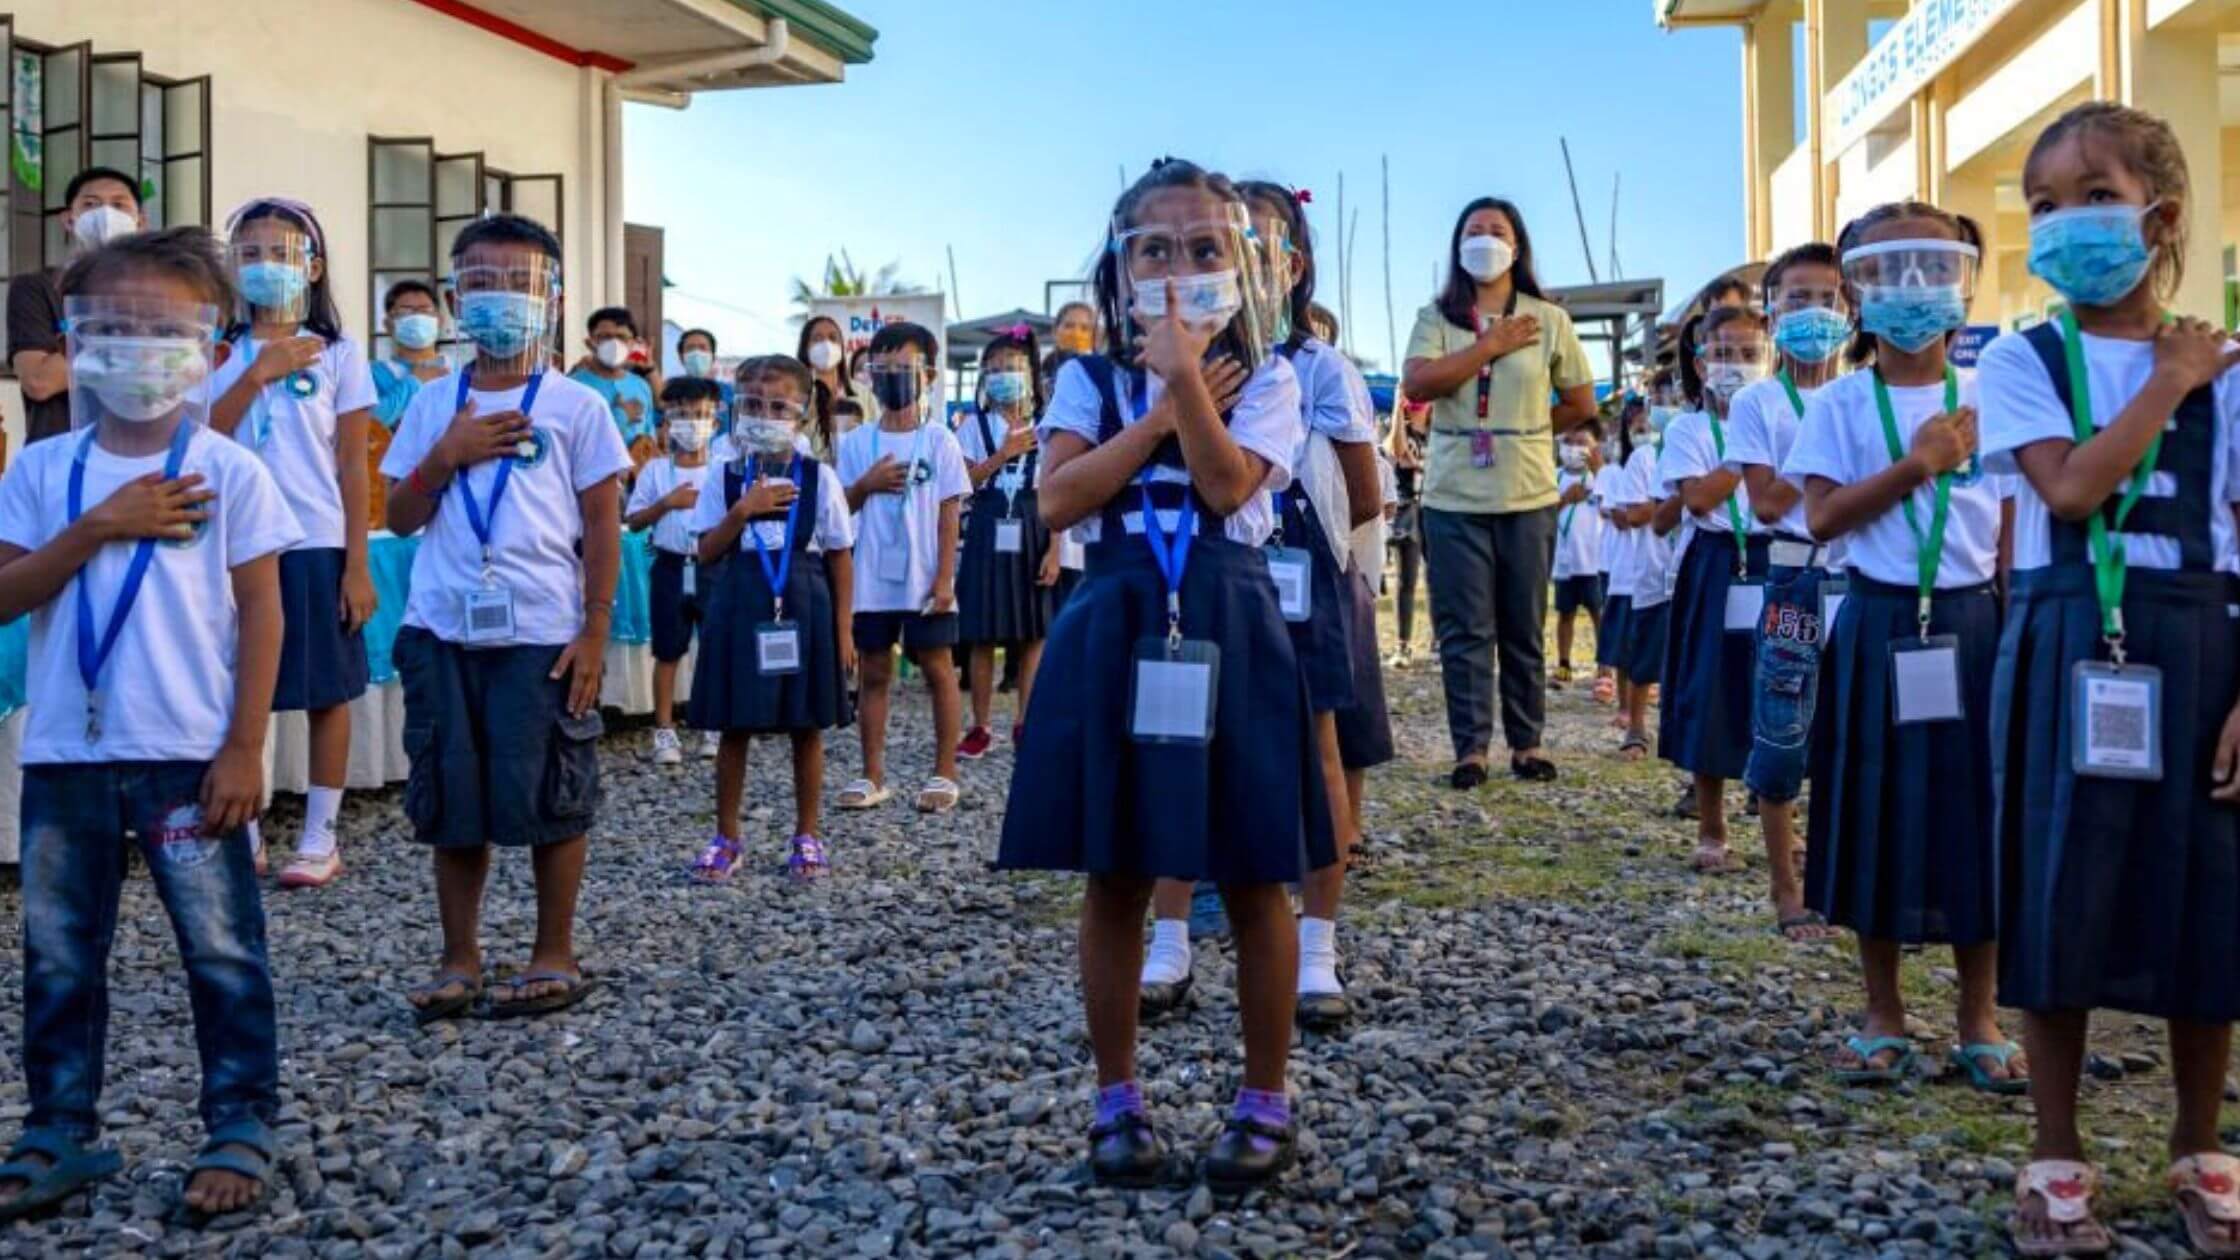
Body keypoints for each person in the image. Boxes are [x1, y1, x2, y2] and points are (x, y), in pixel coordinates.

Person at [996, 158, 1330, 1192]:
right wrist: (1153, 415)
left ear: (1243, 269)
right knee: (1116, 868)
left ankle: (1263, 1099)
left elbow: (1231, 487)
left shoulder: (1271, 376)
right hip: (1115, 614)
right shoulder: (1086, 380)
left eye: (1203, 250)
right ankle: (1115, 1100)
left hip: (1227, 613)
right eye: (1154, 250)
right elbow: (1056, 502)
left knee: (1252, 866)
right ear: (1117, 265)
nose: (1177, 269)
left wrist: (1186, 379)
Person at [1976, 103, 2240, 1258]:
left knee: (2207, 893)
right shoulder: (2020, 357)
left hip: (2199, 640)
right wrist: (2164, 382)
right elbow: (2072, 491)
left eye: (2091, 196)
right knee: (2056, 881)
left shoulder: (2230, 374)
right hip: (2065, 630)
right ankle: (2053, 1149)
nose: (2062, 224)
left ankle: (2198, 1143)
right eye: (2039, 207)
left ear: (2159, 216)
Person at [0, 226, 300, 1223]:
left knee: (220, 948)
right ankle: (60, 1130)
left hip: (188, 756)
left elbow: (263, 611)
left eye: (163, 330)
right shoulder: (45, 473)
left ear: (212, 351)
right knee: (60, 955)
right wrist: (99, 526)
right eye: (112, 327)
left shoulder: (231, 470)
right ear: (78, 343)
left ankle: (239, 1119)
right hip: (65, 757)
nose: (136, 349)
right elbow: (6, 596)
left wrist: (246, 746)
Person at [1781, 196, 2023, 1101]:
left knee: (1978, 816)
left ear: (1963, 281)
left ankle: (1980, 1016)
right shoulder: (1843, 401)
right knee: (1874, 808)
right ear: (1856, 292)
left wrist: (2011, 611)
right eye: (1889, 271)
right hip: (1880, 617)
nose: (1914, 290)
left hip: (1972, 621)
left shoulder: (1993, 393)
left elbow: (2006, 522)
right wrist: (1916, 464)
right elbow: (1823, 516)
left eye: (1933, 267)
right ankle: (1883, 1012)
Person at [382, 213, 627, 1024]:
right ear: (456, 297)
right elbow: (402, 513)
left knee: (554, 791)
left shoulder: (577, 406)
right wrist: (446, 454)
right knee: (453, 794)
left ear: (552, 299)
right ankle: (461, 958)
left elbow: (600, 524)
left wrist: (593, 628)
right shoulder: (430, 403)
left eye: (518, 283)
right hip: (442, 628)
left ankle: (552, 949)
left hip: (543, 634)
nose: (498, 298)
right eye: (480, 282)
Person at [1401, 197, 1599, 788]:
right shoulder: (1436, 318)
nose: (1484, 239)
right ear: (1457, 245)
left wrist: (1529, 435)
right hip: (1453, 496)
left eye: (1496, 230)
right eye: (1473, 230)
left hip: (1527, 494)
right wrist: (1487, 347)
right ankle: (1470, 749)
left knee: (1522, 623)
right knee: (1464, 627)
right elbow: (1417, 382)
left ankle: (1527, 742)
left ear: (1518, 246)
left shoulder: (1547, 318)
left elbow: (1583, 403)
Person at [207, 197, 375, 889]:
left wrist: (357, 564)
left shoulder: (338, 352)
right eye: (250, 253)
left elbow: (352, 463)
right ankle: (242, 830)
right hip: (229, 544)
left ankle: (319, 834)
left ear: (312, 266)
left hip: (313, 539)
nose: (266, 265)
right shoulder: (213, 351)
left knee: (323, 692)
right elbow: (200, 438)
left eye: (282, 252)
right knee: (231, 684)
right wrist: (255, 372)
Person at [1721, 243, 1851, 940]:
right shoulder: (1758, 401)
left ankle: (1838, 878)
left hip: (1858, 576)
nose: (1811, 314)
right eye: (1795, 300)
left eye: (1825, 299)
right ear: (1772, 311)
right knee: (1783, 728)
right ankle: (1785, 886)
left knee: (1850, 734)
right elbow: (1768, 503)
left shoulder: (1866, 392)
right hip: (1795, 577)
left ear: (1849, 308)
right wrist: (1834, 458)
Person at [686, 355, 856, 881]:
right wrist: (742, 511)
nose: (764, 415)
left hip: (804, 602)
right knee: (736, 724)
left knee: (805, 725)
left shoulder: (818, 477)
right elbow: (707, 551)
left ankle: (808, 834)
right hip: (740, 600)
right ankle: (727, 836)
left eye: (777, 406)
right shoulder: (724, 475)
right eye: (752, 405)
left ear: (802, 413)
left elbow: (840, 553)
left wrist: (844, 630)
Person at [834, 321, 971, 814]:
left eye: (903, 367)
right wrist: (865, 484)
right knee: (873, 672)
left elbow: (950, 512)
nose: (893, 376)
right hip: (871, 579)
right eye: (883, 367)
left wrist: (943, 579)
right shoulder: (855, 444)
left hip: (924, 578)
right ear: (869, 374)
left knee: (938, 668)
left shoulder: (940, 441)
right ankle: (872, 775)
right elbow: (839, 510)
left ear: (928, 375)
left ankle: (945, 772)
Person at [1658, 307, 1774, 870]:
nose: (1736, 366)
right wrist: (1747, 452)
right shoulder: (1689, 429)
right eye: (1723, 353)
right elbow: (1699, 498)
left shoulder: (1786, 413)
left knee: (1782, 687)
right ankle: (1712, 826)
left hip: (1776, 557)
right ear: (1700, 363)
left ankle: (1784, 822)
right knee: (1712, 691)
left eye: (1750, 354)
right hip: (1717, 560)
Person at [955, 326, 1054, 754]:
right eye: (992, 369)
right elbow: (961, 483)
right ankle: (979, 725)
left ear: (1028, 373)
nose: (1001, 376)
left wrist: (1055, 547)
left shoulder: (1049, 423)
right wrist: (1002, 456)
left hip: (1034, 521)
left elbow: (1058, 486)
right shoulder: (971, 425)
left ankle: (1025, 721)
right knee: (982, 632)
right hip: (987, 522)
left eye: (1010, 368)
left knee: (1033, 632)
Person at [9, 167, 146, 445]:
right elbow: (40, 382)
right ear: (69, 220)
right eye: (90, 205)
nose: (106, 214)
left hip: (139, 453)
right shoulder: (37, 288)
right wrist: (127, 346)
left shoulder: (155, 292)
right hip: (58, 454)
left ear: (140, 222)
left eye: (119, 205)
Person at [625, 377, 722, 764]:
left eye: (700, 415)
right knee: (668, 650)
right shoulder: (655, 471)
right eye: (682, 415)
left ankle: (713, 724)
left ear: (715, 422)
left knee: (713, 648)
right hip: (669, 566)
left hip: (713, 567)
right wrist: (668, 503)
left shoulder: (722, 469)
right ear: (665, 420)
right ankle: (664, 730)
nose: (692, 423)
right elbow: (634, 521)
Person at [1609, 399, 1675, 761]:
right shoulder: (1644, 459)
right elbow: (1634, 515)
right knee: (1646, 653)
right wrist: (1677, 496)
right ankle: (1636, 726)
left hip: (1695, 566)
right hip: (1654, 571)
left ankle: (1679, 730)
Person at [1551, 420, 1605, 688]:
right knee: (1565, 613)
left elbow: (1613, 506)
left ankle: (1605, 667)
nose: (1574, 449)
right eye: (1568, 442)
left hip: (1594, 561)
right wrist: (1565, 500)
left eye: (1581, 443)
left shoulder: (1602, 477)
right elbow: (1544, 514)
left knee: (1599, 612)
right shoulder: (1555, 476)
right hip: (1565, 561)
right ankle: (1563, 662)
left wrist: (1600, 471)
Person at [569, 306, 659, 465]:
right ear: (590, 343)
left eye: (622, 337)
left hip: (635, 483)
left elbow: (648, 436)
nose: (614, 343)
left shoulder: (641, 386)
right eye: (605, 337)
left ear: (633, 344)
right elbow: (571, 440)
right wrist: (621, 417)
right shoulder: (573, 386)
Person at [371, 280, 451, 427]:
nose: (417, 318)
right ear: (388, 324)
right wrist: (414, 382)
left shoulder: (458, 371)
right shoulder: (372, 373)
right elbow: (367, 424)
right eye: (405, 311)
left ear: (439, 321)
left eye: (425, 310)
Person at [1386, 395, 1429, 667]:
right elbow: (1397, 451)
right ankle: (1403, 645)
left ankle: (1439, 643)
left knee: (1439, 580)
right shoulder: (1402, 430)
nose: (1417, 405)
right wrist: (1397, 408)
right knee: (1407, 581)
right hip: (1407, 512)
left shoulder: (1439, 432)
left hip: (1434, 508)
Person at [798, 315, 864, 461]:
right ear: (805, 348)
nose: (826, 344)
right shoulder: (797, 394)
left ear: (842, 347)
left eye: (833, 338)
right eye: (817, 338)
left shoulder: (863, 394)